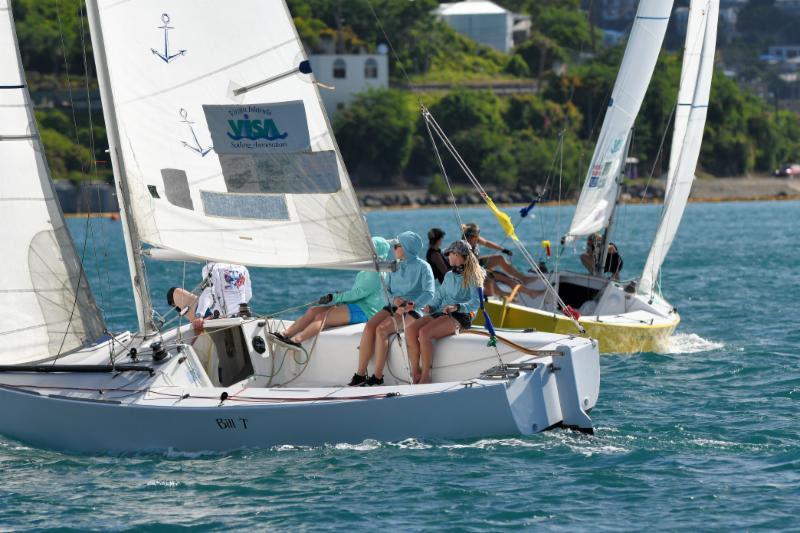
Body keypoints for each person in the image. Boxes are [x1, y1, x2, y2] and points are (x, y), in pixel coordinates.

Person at [349, 231, 435, 387]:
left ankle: (377, 377)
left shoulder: (424, 267)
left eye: (397, 246)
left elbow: (429, 293)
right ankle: (360, 374)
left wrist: (411, 305)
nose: (394, 249)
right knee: (370, 327)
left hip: (412, 310)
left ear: (407, 248)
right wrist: (394, 300)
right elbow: (385, 290)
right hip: (393, 305)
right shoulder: (394, 265)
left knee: (381, 330)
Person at [271, 237, 392, 347]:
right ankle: (285, 334)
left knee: (322, 317)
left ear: (376, 252)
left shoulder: (377, 273)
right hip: (357, 306)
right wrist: (339, 299)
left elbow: (358, 293)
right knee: (313, 310)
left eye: (369, 249)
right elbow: (358, 293)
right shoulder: (367, 270)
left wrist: (334, 297)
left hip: (366, 311)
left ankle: (296, 340)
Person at [405, 240, 485, 384]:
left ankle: (426, 376)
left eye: (450, 254)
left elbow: (477, 302)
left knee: (424, 334)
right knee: (410, 331)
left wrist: (458, 307)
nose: (448, 257)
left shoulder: (475, 276)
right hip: (442, 312)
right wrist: (430, 307)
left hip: (461, 316)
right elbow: (440, 296)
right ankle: (415, 373)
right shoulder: (449, 276)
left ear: (459, 255)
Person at [461, 223, 543, 300]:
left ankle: (522, 278)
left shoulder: (475, 239)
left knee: (500, 258)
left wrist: (503, 250)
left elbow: (486, 243)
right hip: (471, 272)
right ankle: (526, 294)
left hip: (477, 264)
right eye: (477, 236)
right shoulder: (464, 246)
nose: (478, 238)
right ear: (471, 237)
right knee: (501, 278)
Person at [166, 262, 252, 332]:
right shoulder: (242, 267)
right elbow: (248, 295)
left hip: (216, 319)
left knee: (172, 293)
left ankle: (195, 324)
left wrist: (199, 316)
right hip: (241, 315)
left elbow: (208, 293)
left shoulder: (211, 267)